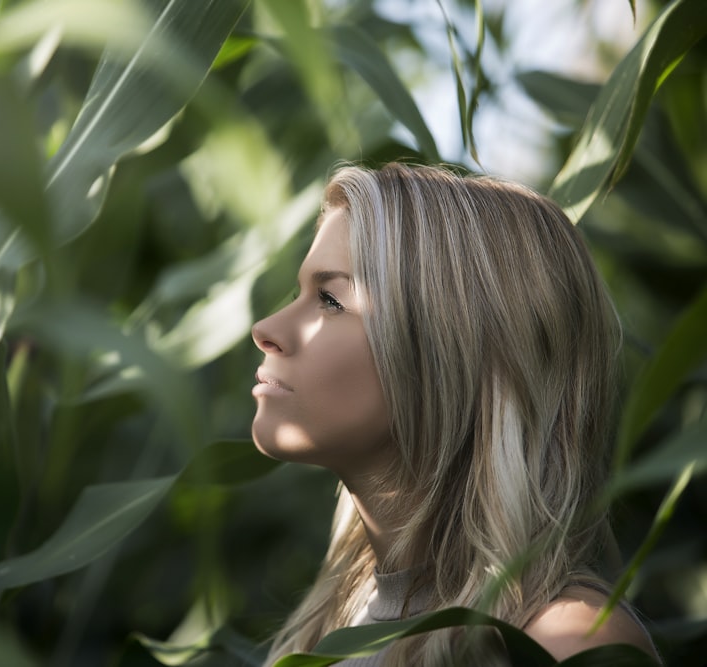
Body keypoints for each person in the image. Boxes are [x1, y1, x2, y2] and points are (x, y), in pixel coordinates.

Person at [250, 163, 661, 666]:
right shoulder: (333, 628)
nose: (266, 328)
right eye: (301, 294)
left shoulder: (564, 646)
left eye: (331, 299)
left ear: (455, 354)